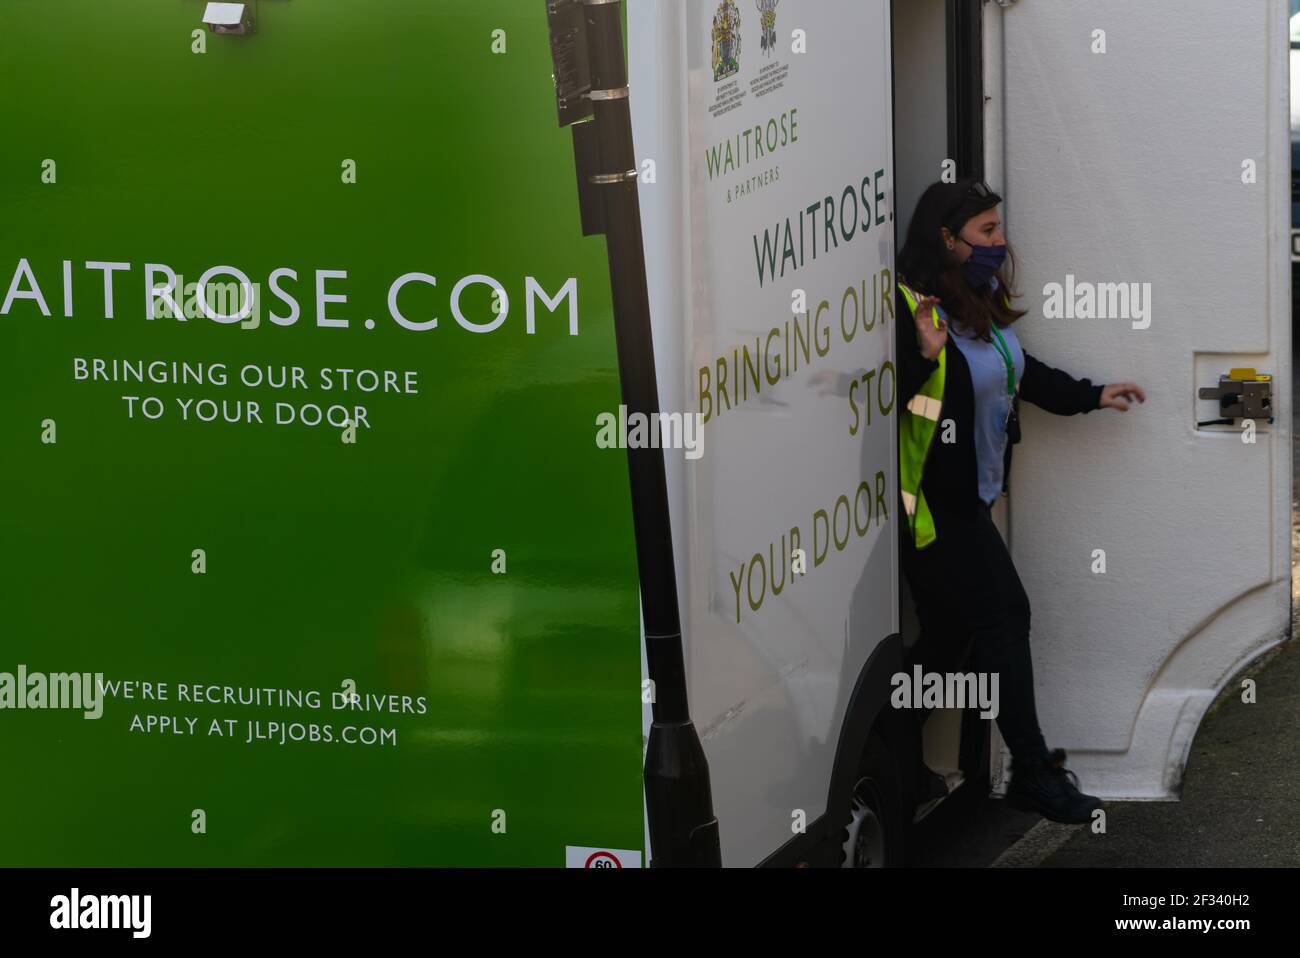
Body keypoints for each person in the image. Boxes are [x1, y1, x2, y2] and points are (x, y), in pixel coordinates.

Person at [894, 178, 1146, 825]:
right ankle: (1033, 772)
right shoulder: (913, 312)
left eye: (997, 229)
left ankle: (890, 754)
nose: (1000, 242)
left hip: (967, 502)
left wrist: (1093, 394)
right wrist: (923, 358)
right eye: (985, 232)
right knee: (1007, 615)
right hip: (931, 508)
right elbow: (890, 399)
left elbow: (1021, 373)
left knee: (952, 634)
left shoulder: (976, 303)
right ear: (946, 240)